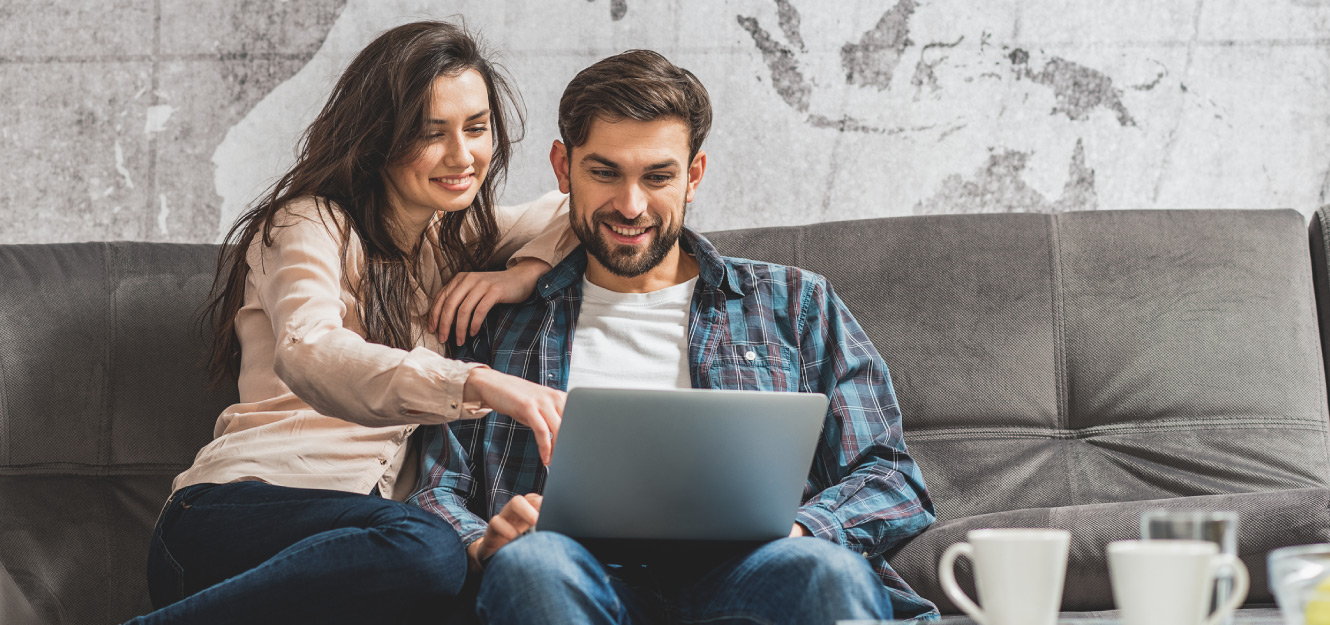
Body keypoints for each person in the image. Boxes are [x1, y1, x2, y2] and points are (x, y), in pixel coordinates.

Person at [411, 50, 937, 624]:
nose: (630, 206)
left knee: (826, 569)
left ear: (693, 175)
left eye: (657, 176)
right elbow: (436, 488)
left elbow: (890, 475)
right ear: (563, 168)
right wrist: (482, 541)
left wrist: (802, 528)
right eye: (604, 172)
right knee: (533, 565)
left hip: (753, 572)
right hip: (574, 575)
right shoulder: (497, 323)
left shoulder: (795, 303)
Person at [124, 21, 574, 625]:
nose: (463, 156)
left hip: (360, 553)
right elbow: (310, 349)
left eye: (476, 128)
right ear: (379, 135)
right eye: (430, 133)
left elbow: (591, 206)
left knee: (458, 563)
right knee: (429, 549)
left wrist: (521, 272)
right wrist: (475, 383)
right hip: (227, 518)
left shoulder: (460, 237)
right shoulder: (308, 223)